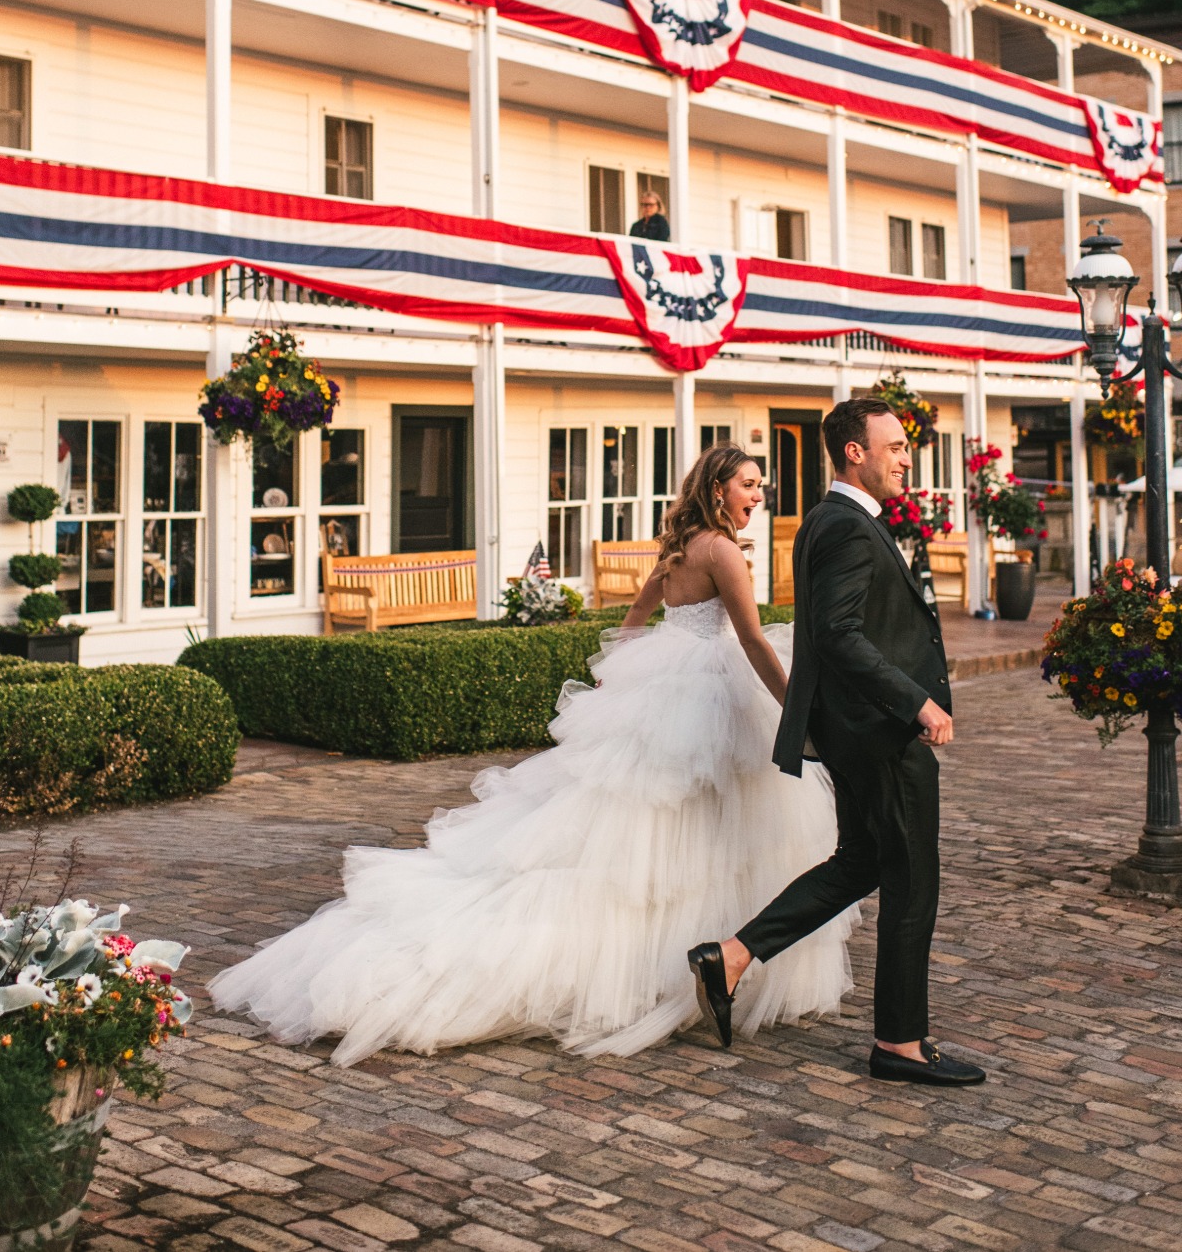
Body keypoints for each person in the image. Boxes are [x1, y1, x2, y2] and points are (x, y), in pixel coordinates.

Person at [209, 444, 855, 1062]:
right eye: (749, 484)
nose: (758, 494)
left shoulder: (680, 547)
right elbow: (751, 639)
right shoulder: (724, 552)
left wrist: (623, 684)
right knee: (711, 833)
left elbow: (631, 622)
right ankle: (694, 958)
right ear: (719, 488)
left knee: (656, 833)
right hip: (712, 695)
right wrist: (798, 711)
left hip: (668, 683)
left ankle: (689, 954)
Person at [688, 397, 985, 1087]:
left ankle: (731, 955)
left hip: (855, 731)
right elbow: (839, 635)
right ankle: (900, 1042)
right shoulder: (846, 526)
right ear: (856, 450)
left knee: (859, 863)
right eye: (897, 444)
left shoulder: (835, 520)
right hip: (879, 732)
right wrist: (917, 703)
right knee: (912, 878)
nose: (906, 456)